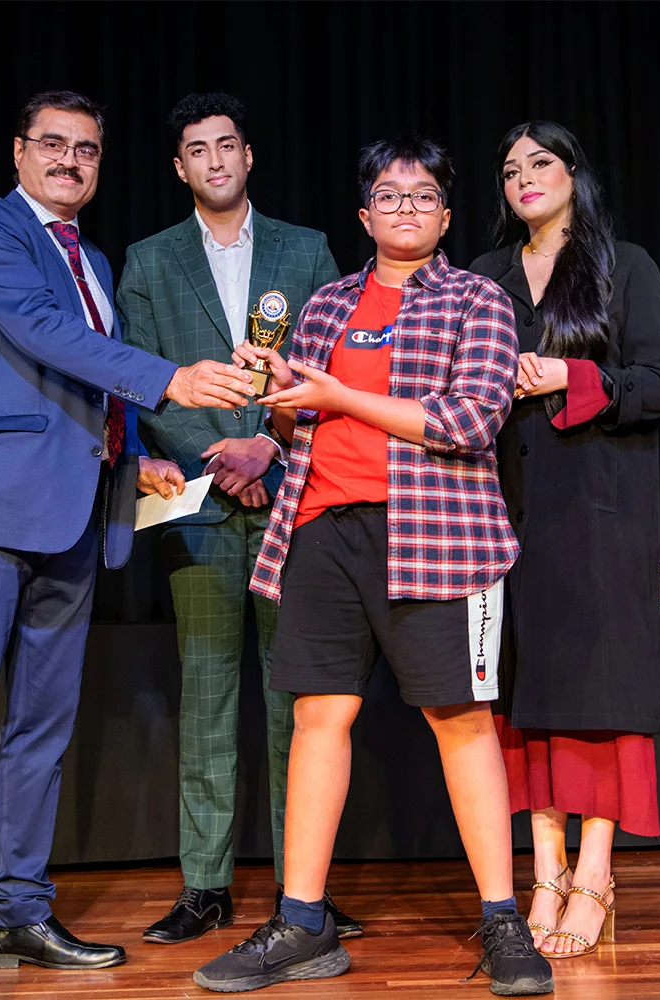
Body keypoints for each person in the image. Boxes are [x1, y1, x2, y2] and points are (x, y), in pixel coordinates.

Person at [0, 90, 256, 1000]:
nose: (69, 160)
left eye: (86, 149)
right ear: (19, 152)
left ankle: (18, 913)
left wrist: (134, 459)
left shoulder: (92, 259)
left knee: (42, 732)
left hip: (73, 520)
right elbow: (43, 335)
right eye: (52, 144)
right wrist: (171, 379)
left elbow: (90, 392)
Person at [192, 136, 554, 996]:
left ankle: (503, 919)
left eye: (423, 196)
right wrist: (280, 395)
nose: (406, 209)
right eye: (389, 196)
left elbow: (471, 421)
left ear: (446, 216)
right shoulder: (325, 305)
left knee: (460, 721)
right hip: (323, 531)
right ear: (364, 215)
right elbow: (299, 428)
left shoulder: (477, 299)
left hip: (435, 534)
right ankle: (302, 921)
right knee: (318, 718)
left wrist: (337, 395)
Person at [117, 92, 360, 946]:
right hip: (197, 503)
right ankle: (206, 887)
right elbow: (138, 377)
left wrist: (267, 447)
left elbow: (331, 364)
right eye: (198, 150)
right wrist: (223, 458)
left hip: (294, 496)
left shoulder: (307, 248)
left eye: (227, 145)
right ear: (179, 167)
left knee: (301, 701)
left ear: (248, 156)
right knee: (208, 692)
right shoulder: (148, 260)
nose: (215, 161)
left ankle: (304, 893)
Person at [468, 122, 660, 959]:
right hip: (504, 512)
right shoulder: (484, 275)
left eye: (541, 162)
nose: (524, 177)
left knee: (599, 695)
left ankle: (595, 872)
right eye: (510, 169)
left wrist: (572, 375)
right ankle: (545, 870)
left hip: (599, 512)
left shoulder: (625, 266)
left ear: (572, 174)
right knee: (524, 697)